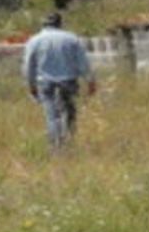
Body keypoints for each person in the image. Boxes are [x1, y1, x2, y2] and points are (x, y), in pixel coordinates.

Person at [23, 11, 96, 150]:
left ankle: (56, 147)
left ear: (43, 23)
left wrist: (31, 85)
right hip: (68, 81)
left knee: (52, 116)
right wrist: (90, 81)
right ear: (60, 23)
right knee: (69, 113)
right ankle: (69, 142)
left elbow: (28, 65)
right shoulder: (72, 39)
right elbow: (83, 63)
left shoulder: (34, 40)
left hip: (45, 82)